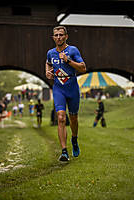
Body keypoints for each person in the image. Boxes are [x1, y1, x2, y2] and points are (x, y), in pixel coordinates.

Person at [46, 26, 86, 161]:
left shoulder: (73, 50)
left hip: (72, 88)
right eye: (56, 35)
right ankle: (64, 151)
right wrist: (48, 72)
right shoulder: (50, 53)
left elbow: (83, 68)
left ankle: (74, 140)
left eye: (61, 35)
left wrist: (68, 60)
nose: (58, 37)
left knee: (73, 118)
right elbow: (48, 63)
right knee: (61, 117)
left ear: (66, 36)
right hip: (58, 89)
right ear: (53, 38)